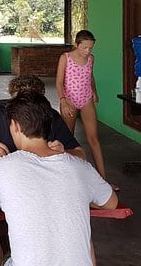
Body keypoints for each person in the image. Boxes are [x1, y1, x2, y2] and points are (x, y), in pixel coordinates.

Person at [0, 92, 117, 266]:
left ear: (15, 126)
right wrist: (78, 196)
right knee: (84, 238)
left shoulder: (0, 168)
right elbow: (111, 203)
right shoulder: (80, 167)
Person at [0, 74, 85, 161]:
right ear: (12, 100)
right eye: (22, 102)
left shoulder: (51, 116)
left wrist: (64, 152)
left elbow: (81, 154)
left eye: (33, 102)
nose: (27, 107)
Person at [56, 30, 110, 184]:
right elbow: (59, 82)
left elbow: (90, 75)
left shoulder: (91, 59)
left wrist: (94, 91)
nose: (88, 51)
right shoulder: (65, 58)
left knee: (94, 139)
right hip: (69, 100)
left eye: (90, 48)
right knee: (68, 139)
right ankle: (67, 178)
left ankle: (103, 180)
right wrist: (63, 101)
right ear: (76, 44)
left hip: (86, 99)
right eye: (84, 47)